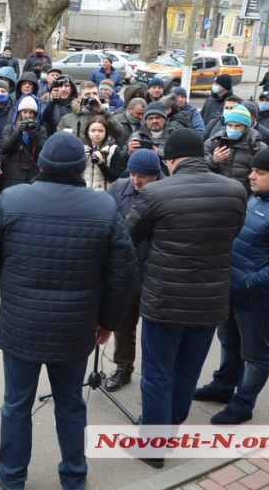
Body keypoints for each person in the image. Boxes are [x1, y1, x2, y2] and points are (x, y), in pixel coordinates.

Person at [0, 132, 136, 490]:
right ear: (79, 168)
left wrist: (12, 286)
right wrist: (107, 320)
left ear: (41, 164)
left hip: (21, 325)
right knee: (71, 403)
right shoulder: (103, 206)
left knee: (17, 404)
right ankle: (74, 477)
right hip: (76, 329)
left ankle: (12, 478)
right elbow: (123, 274)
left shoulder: (13, 199)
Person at [126, 129, 246, 466]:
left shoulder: (156, 193)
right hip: (210, 302)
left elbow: (127, 237)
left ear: (171, 160)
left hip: (164, 301)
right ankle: (169, 429)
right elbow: (232, 234)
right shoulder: (236, 190)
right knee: (187, 371)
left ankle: (153, 447)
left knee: (157, 373)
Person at [194, 147, 269, 424]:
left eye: (260, 172)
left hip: (257, 299)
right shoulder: (258, 198)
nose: (252, 175)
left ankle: (243, 405)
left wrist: (247, 284)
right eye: (253, 170)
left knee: (255, 354)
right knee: (230, 342)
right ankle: (223, 387)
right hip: (233, 292)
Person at [103, 149, 162, 393]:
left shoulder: (165, 193)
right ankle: (123, 368)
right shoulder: (118, 187)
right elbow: (106, 220)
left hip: (154, 274)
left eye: (143, 177)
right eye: (133, 174)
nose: (136, 181)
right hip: (125, 272)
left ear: (156, 176)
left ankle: (154, 376)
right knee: (123, 326)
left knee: (154, 332)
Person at [204, 105, 266, 194]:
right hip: (215, 194)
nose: (233, 129)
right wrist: (213, 161)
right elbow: (199, 167)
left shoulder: (257, 146)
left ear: (246, 127)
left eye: (237, 126)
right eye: (230, 125)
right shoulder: (213, 141)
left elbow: (262, 178)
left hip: (242, 196)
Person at [0, 93, 46, 190]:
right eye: (24, 112)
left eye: (31, 112)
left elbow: (42, 152)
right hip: (11, 178)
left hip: (32, 177)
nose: (28, 115)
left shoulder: (41, 130)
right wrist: (18, 132)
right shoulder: (9, 129)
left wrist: (34, 135)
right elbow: (5, 148)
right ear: (19, 113)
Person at [82, 115, 122, 192]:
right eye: (93, 130)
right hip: (84, 192)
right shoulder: (81, 147)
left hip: (105, 192)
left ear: (106, 132)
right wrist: (82, 160)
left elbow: (115, 177)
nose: (97, 134)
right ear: (88, 131)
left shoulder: (113, 149)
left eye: (101, 131)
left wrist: (101, 163)